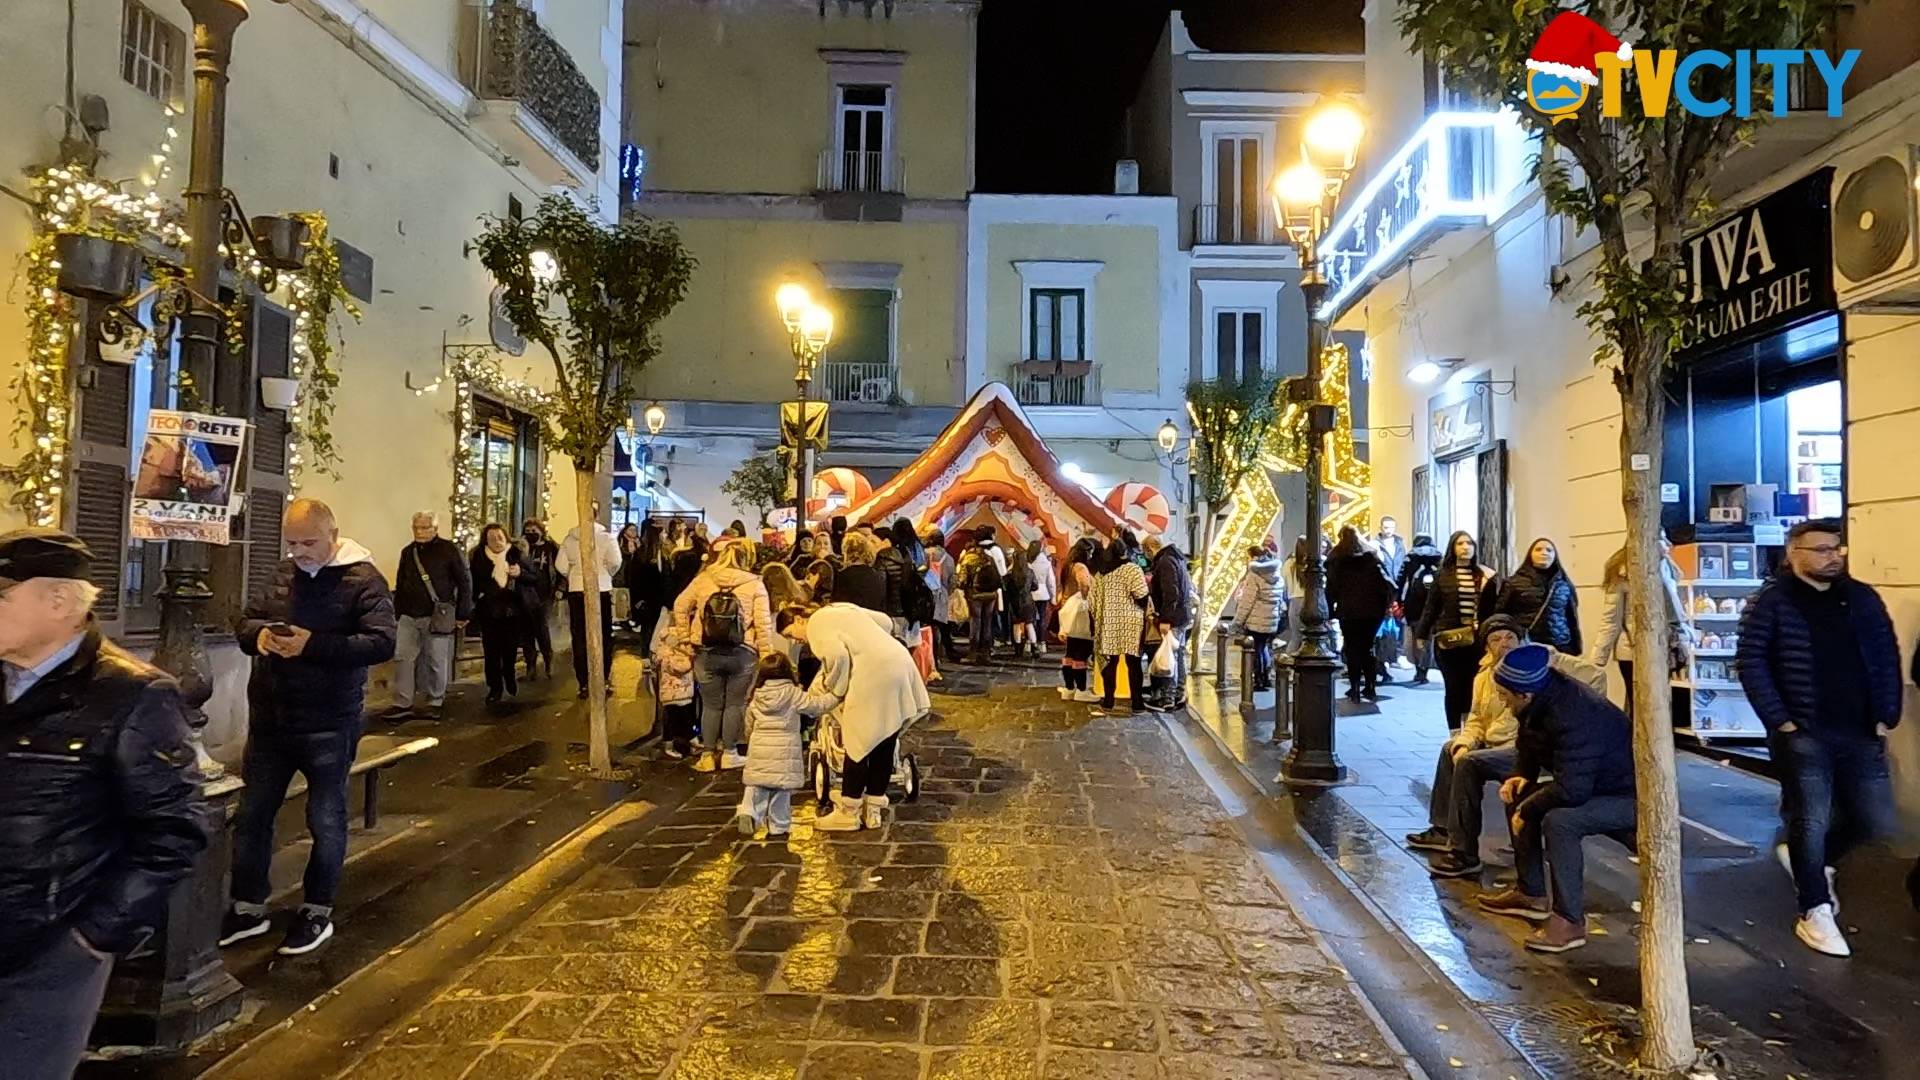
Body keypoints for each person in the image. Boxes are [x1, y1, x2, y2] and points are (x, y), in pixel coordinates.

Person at [0, 529, 208, 1075]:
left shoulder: (133, 695)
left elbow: (173, 833)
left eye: (1, 595)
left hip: (45, 954)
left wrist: (89, 938)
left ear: (59, 601)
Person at [226, 499, 397, 956]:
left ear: (332, 534)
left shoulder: (364, 579)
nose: (298, 551)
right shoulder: (282, 572)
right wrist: (258, 637)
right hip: (271, 717)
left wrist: (312, 646)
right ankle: (246, 907)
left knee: (325, 817)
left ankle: (317, 910)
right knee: (252, 816)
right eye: (292, 542)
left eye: (308, 542)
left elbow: (381, 641)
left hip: (328, 720)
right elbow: (245, 617)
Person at [1736, 518, 1902, 958]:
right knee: (1809, 818)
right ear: (1795, 554)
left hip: (1861, 727)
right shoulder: (1772, 603)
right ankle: (1814, 910)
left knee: (1874, 819)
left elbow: (1886, 654)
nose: (1833, 556)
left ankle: (1814, 862)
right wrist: (1782, 721)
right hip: (1805, 731)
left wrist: (1888, 712)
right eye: (1822, 549)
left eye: (1836, 548)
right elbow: (1751, 662)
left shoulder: (1862, 598)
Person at [1408, 616, 1606, 878]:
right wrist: (1465, 741)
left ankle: (1464, 853)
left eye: (1510, 637)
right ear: (1487, 646)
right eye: (1496, 639)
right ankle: (1444, 828)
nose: (1505, 644)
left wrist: (1555, 660)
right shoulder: (1483, 676)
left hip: (1523, 748)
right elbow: (1476, 718)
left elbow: (1596, 676)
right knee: (1452, 749)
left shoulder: (1538, 665)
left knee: (1471, 764)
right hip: (1495, 743)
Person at [1474, 644, 1637, 954]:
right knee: (1518, 793)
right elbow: (1528, 739)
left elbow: (1572, 791)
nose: (1501, 702)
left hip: (1625, 795)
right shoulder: (1539, 697)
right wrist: (1521, 773)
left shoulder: (1574, 714)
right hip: (1593, 784)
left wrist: (1528, 808)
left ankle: (1569, 922)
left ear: (1524, 695)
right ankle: (1530, 893)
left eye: (1505, 696)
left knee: (1560, 821)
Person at [777, 602, 930, 831]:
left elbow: (837, 656)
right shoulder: (841, 608)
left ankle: (849, 812)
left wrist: (834, 690)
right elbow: (885, 621)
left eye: (791, 634)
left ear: (799, 620)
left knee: (858, 742)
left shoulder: (817, 623)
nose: (795, 641)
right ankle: (873, 809)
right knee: (885, 740)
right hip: (899, 665)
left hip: (872, 674)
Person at [674, 540, 775, 773]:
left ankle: (708, 755)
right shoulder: (754, 584)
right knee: (734, 704)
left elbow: (680, 605)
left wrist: (684, 638)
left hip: (706, 651)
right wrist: (767, 654)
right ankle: (730, 753)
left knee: (711, 705)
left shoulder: (704, 579)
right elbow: (763, 623)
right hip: (743, 652)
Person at [734, 652, 842, 838]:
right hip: (785, 748)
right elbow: (817, 705)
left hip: (760, 746)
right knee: (781, 789)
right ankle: (779, 826)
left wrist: (750, 738)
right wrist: (837, 695)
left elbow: (749, 723)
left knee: (756, 784)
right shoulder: (793, 694)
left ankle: (748, 810)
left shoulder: (757, 696)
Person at [386, 511, 470, 721]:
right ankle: (402, 702)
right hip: (408, 613)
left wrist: (463, 612)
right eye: (416, 527)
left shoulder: (448, 550)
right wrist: (397, 611)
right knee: (403, 656)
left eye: (424, 527)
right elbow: (401, 580)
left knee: (436, 658)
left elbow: (464, 581)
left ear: (435, 528)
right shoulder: (408, 552)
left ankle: (435, 700)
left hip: (437, 614)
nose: (419, 532)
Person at [1591, 536, 1687, 719]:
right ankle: (1637, 744)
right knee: (1639, 702)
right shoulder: (1622, 574)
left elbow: (1676, 613)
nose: (1667, 544)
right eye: (1661, 538)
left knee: (1658, 700)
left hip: (1661, 646)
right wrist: (1598, 657)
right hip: (1631, 647)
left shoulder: (1667, 569)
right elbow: (1611, 618)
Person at [1414, 531, 1498, 731]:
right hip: (1449, 641)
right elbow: (1431, 607)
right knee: (1453, 688)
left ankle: (1471, 730)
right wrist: (1421, 635)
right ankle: (1454, 732)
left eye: (1469, 543)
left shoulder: (1484, 575)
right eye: (1460, 543)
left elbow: (1493, 608)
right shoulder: (1443, 576)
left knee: (1473, 688)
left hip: (1476, 642)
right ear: (1453, 547)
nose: (1465, 547)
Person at [1326, 525, 1397, 703]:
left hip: (1348, 610)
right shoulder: (1371, 557)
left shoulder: (1337, 559)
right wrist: (1385, 604)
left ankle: (1355, 687)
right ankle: (1371, 686)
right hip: (1373, 611)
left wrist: (1329, 611)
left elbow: (1331, 588)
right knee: (1367, 647)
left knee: (1352, 648)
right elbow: (1388, 583)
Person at [556, 515, 622, 698]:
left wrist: (573, 575)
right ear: (598, 517)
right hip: (601, 588)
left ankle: (583, 682)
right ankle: (602, 678)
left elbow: (560, 565)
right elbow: (616, 561)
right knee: (603, 636)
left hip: (577, 590)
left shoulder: (570, 539)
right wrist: (605, 574)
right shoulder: (606, 538)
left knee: (579, 636)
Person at [1090, 539, 1150, 715]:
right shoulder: (1132, 569)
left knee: (1110, 662)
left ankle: (1108, 701)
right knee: (1134, 663)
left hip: (1107, 623)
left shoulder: (1100, 574)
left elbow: (1092, 603)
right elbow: (1141, 595)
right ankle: (1137, 703)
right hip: (1131, 623)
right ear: (1125, 553)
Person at [469, 523, 525, 704]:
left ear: (506, 537)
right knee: (491, 651)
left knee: (509, 649)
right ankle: (495, 687)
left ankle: (509, 674)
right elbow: (473, 583)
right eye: (492, 539)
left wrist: (520, 574)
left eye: (500, 537)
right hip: (489, 611)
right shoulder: (478, 557)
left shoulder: (516, 554)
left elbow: (534, 578)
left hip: (512, 611)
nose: (497, 542)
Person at [1496, 537, 1581, 655]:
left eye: (1549, 550)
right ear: (1530, 555)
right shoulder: (1513, 583)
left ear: (1555, 556)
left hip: (1560, 644)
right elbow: (1501, 615)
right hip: (1526, 643)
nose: (1544, 553)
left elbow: (1572, 617)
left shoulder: (1564, 584)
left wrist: (1576, 647)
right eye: (1538, 549)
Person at [1228, 545, 1286, 691]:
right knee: (1263, 647)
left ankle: (1259, 679)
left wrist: (1238, 622)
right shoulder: (1277, 575)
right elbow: (1280, 599)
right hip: (1271, 618)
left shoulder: (1254, 576)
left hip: (1256, 618)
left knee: (1256, 649)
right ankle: (1266, 677)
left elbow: (1247, 602)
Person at [1145, 536, 1193, 712]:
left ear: (1150, 548)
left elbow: (1170, 592)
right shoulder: (1176, 558)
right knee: (1177, 655)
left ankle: (1168, 699)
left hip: (1174, 617)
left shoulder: (1165, 562)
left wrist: (1165, 619)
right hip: (1182, 615)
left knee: (1169, 656)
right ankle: (1179, 694)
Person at [517, 519, 560, 681]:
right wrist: (524, 553)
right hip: (526, 594)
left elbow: (560, 568)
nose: (530, 534)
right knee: (527, 631)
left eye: (534, 530)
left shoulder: (550, 548)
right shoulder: (522, 548)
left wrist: (560, 589)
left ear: (541, 530)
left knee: (542, 629)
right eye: (527, 530)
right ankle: (531, 666)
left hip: (545, 595)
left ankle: (548, 661)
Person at [1397, 534, 1442, 685]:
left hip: (1414, 603)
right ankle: (1426, 667)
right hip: (1434, 602)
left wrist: (1398, 600)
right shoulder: (1439, 556)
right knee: (1430, 637)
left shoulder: (1410, 556)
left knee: (1417, 636)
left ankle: (1419, 669)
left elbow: (1401, 579)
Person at [876, 519, 930, 642]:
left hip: (892, 611)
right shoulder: (920, 554)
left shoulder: (885, 556)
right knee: (911, 649)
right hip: (914, 610)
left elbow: (880, 585)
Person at [956, 528, 1005, 663]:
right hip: (991, 594)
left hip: (975, 595)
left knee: (975, 621)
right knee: (987, 622)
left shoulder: (968, 558)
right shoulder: (990, 557)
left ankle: (973, 654)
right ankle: (986, 654)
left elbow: (962, 580)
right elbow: (1001, 574)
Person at [652, 622, 697, 760]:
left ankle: (688, 739)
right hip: (677, 692)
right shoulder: (673, 652)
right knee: (673, 720)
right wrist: (690, 656)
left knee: (681, 718)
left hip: (675, 692)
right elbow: (681, 667)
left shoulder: (663, 648)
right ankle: (670, 745)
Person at [625, 521, 672, 651]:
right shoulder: (641, 554)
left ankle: (655, 657)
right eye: (663, 532)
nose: (665, 535)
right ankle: (645, 655)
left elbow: (667, 577)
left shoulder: (664, 553)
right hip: (647, 599)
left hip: (661, 600)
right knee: (648, 629)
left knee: (660, 631)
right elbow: (634, 578)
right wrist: (638, 600)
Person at [1058, 557, 1097, 702]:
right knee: (1081, 656)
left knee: (1070, 655)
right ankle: (1081, 690)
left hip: (1070, 622)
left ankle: (1069, 689)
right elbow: (1085, 585)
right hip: (1082, 625)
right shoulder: (1081, 571)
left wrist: (1062, 628)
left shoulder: (1068, 572)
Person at [831, 530, 888, 612]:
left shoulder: (841, 576)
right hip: (872, 621)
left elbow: (837, 606)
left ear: (846, 552)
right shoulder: (879, 576)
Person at [923, 529, 958, 662]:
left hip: (926, 594)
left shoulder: (925, 554)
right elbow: (953, 580)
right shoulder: (948, 558)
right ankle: (947, 652)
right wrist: (946, 592)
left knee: (927, 627)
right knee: (942, 626)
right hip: (941, 594)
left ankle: (930, 655)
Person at [1002, 545, 1038, 660]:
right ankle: (1034, 647)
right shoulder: (1030, 572)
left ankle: (1018, 649)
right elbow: (1035, 586)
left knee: (1016, 625)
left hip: (1015, 602)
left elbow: (1005, 587)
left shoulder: (1010, 574)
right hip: (1028, 601)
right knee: (1029, 624)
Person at [1027, 539, 1057, 658]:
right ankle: (1042, 643)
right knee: (1042, 619)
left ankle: (1030, 643)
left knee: (1030, 619)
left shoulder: (1027, 561)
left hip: (1030, 594)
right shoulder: (1046, 562)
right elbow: (1051, 581)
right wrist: (1053, 595)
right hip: (1043, 593)